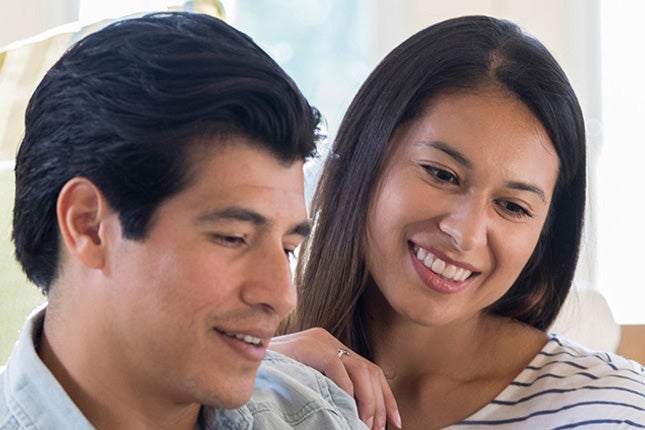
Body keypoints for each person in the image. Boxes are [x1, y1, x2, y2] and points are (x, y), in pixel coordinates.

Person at [271, 15, 645, 429]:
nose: (465, 235)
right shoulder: (249, 379)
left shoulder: (613, 409)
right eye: (442, 174)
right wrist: (259, 377)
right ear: (366, 155)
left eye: (513, 207)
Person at [0, 11, 367, 429]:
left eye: (287, 248)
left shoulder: (317, 416)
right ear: (88, 225)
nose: (283, 298)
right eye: (233, 238)